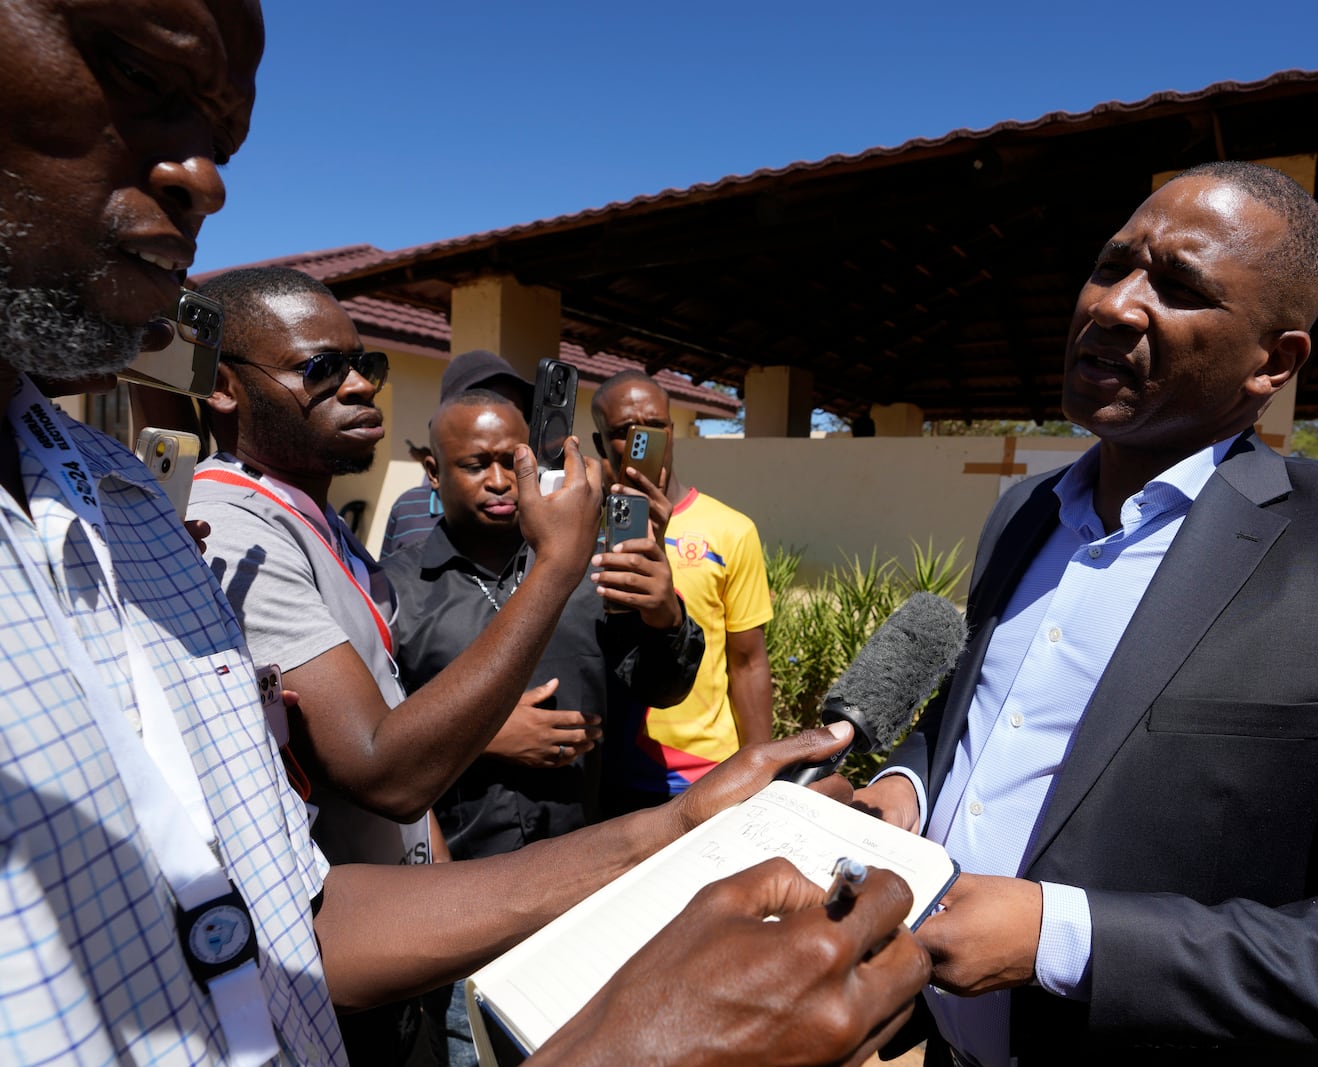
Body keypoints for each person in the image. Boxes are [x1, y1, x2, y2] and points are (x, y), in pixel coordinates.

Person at [0, 3, 932, 1063]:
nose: (202, 176)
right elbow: (388, 761)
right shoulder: (332, 543)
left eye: (224, 135)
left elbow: (282, 923)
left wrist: (679, 815)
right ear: (433, 475)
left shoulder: (121, 509)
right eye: (131, 69)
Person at [850, 162, 1318, 1066]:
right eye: (1112, 265)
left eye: (1181, 288)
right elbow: (984, 712)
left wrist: (1065, 936)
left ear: (1274, 361)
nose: (1114, 305)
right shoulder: (1024, 514)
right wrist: (908, 786)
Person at [389, 387, 703, 1063]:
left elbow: (661, 685)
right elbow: (374, 748)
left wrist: (663, 616)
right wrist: (485, 736)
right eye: (477, 464)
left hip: (578, 890)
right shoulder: (396, 591)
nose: (502, 481)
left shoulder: (590, 569)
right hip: (453, 904)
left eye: (515, 461)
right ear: (433, 470)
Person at [591, 371, 775, 810]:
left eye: (653, 426)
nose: (640, 439)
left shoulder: (729, 530)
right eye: (622, 431)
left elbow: (747, 661)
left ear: (672, 432)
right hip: (604, 770)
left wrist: (762, 771)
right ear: (600, 444)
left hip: (702, 774)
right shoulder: (575, 528)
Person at [380, 349, 537, 560]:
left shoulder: (545, 510)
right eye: (480, 403)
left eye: (514, 412)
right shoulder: (408, 509)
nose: (499, 482)